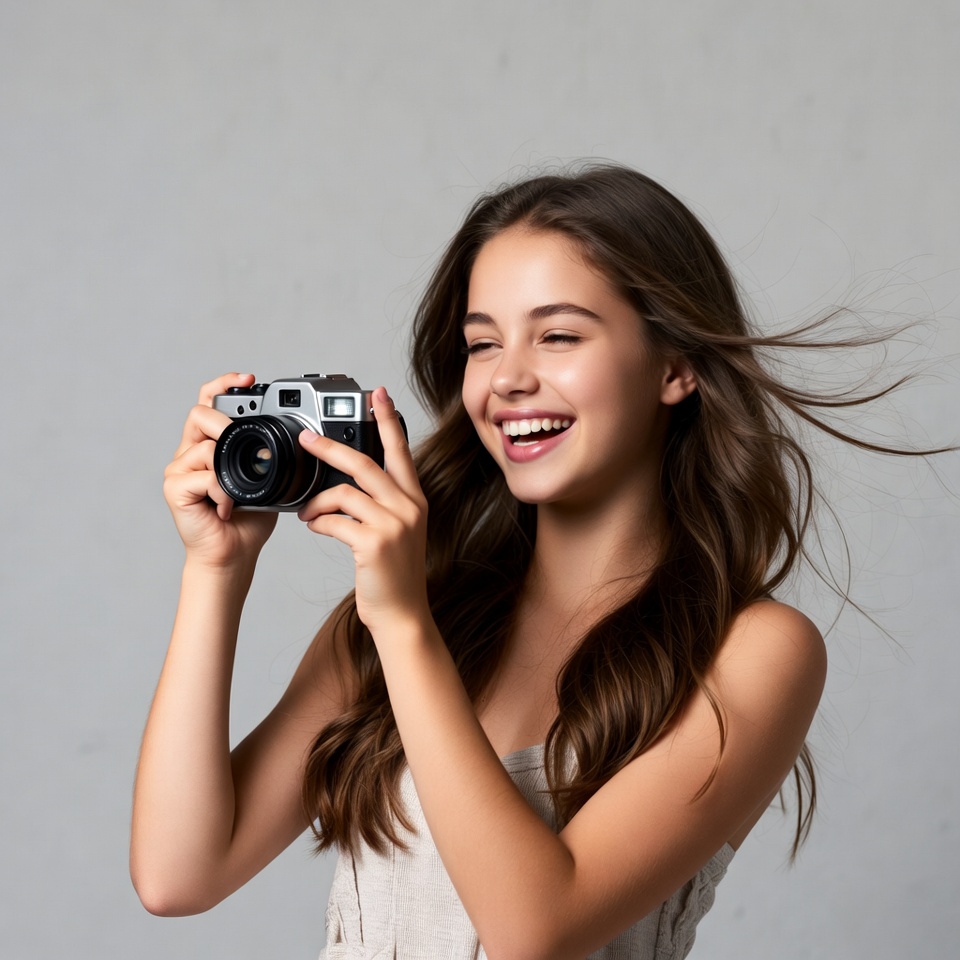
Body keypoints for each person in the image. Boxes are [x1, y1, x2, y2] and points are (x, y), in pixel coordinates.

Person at [132, 164, 850, 960]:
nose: (507, 379)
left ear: (676, 367)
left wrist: (404, 627)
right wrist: (216, 573)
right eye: (482, 343)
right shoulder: (411, 606)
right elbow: (178, 874)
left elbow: (534, 929)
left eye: (560, 335)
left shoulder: (754, 651)